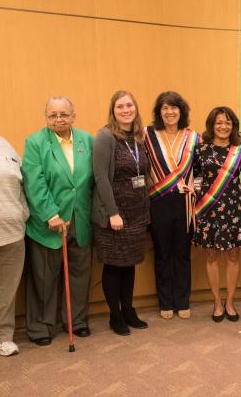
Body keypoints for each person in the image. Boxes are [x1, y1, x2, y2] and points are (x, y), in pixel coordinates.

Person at [21, 96, 94, 345]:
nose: (58, 119)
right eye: (53, 115)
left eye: (63, 114)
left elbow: (93, 180)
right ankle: (41, 327)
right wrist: (51, 214)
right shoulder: (35, 143)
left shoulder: (88, 140)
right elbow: (34, 182)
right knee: (44, 278)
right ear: (46, 117)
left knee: (79, 275)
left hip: (81, 219)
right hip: (48, 223)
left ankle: (77, 321)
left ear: (73, 116)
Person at [93, 91, 150, 335]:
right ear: (113, 111)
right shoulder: (106, 136)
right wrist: (112, 213)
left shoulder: (137, 136)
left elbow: (143, 171)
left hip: (137, 213)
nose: (126, 110)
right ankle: (115, 315)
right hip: (115, 214)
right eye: (120, 106)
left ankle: (128, 309)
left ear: (135, 108)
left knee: (129, 265)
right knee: (115, 265)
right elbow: (101, 178)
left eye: (129, 105)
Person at [193, 106, 241, 322]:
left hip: (234, 208)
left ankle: (230, 302)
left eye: (228, 122)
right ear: (212, 125)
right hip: (209, 209)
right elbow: (194, 178)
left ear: (233, 126)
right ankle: (217, 302)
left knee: (233, 255)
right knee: (211, 256)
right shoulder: (200, 150)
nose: (223, 126)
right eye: (219, 122)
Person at [144, 91, 199, 320]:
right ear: (159, 112)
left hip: (185, 202)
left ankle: (182, 300)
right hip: (158, 201)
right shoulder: (147, 135)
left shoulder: (193, 136)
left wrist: (195, 186)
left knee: (183, 254)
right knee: (163, 253)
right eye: (164, 108)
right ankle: (166, 301)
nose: (169, 112)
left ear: (181, 111)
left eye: (174, 107)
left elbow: (201, 169)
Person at [0, 134, 29, 356]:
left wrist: (22, 213)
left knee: (4, 291)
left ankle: (1, 338)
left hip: (11, 234)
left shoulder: (3, 143)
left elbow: (22, 182)